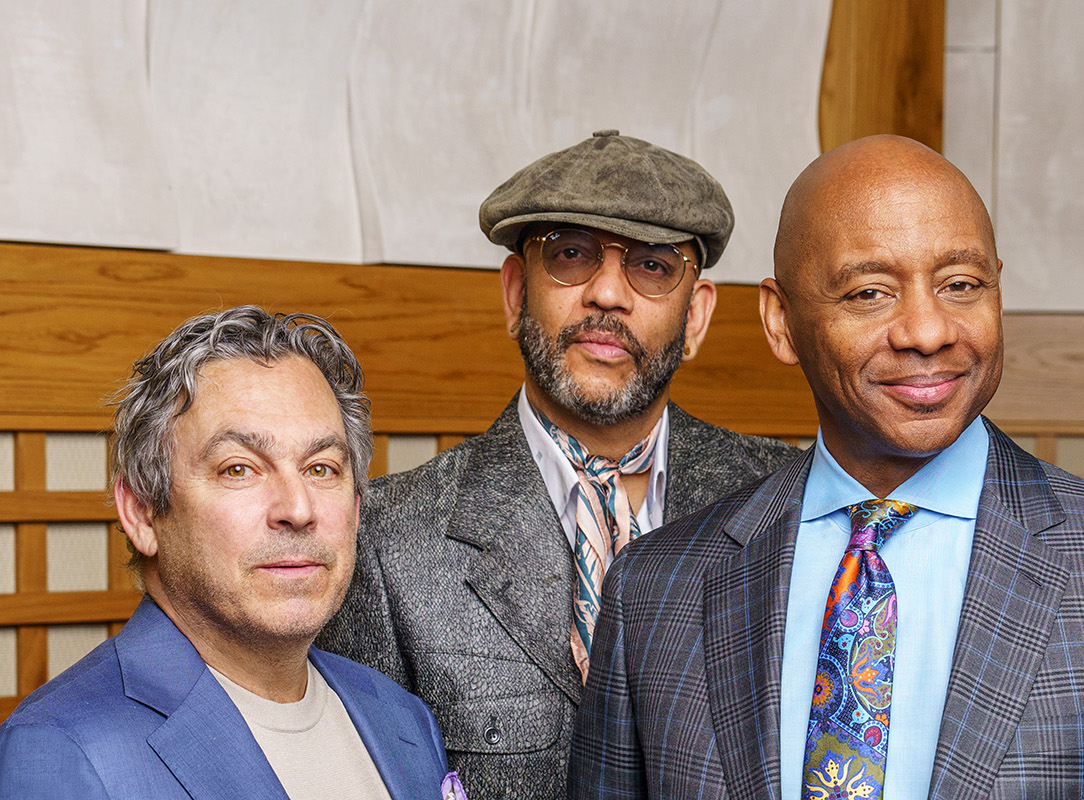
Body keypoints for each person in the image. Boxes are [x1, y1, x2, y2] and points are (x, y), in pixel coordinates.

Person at [570, 134, 1084, 799]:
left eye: (962, 284)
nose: (929, 332)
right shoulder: (656, 590)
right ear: (780, 320)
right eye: (870, 293)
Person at [319, 130, 797, 800]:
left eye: (653, 266)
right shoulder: (389, 541)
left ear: (697, 317)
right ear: (516, 293)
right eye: (571, 255)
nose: (607, 294)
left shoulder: (783, 500)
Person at [0, 306, 454, 799]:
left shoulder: (403, 719)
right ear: (143, 513)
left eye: (322, 468)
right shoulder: (63, 749)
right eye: (239, 469)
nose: (297, 509)